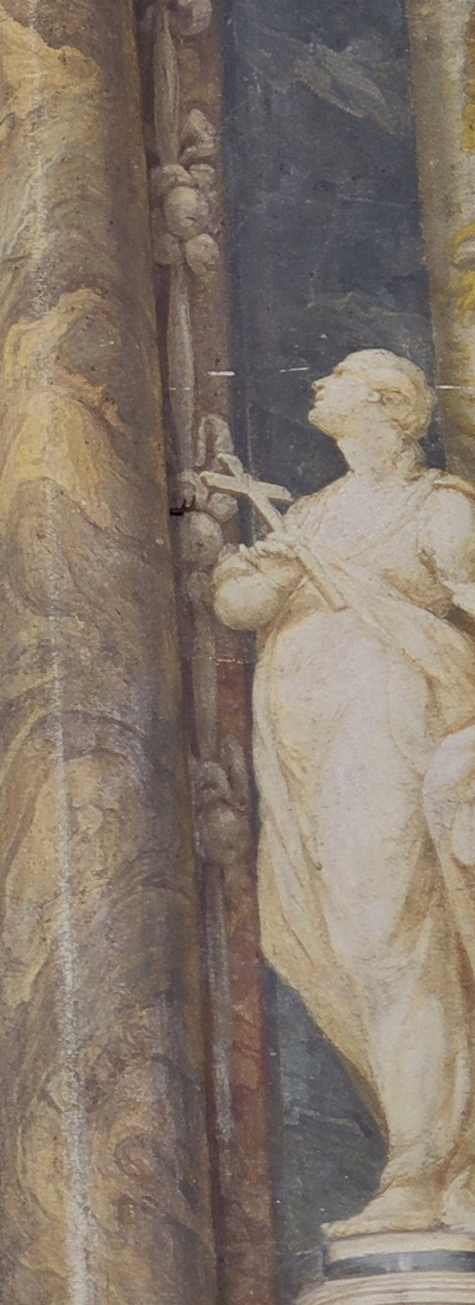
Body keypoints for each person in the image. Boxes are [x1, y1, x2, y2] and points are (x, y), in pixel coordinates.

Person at [209, 351, 475, 1239]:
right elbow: (243, 606)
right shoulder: (315, 515)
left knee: (392, 937)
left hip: (389, 729)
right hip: (305, 755)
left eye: (341, 376)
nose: (319, 384)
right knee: (334, 945)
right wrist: (253, 572)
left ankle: (424, 1167)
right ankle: (420, 1151)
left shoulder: (435, 508)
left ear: (390, 404)